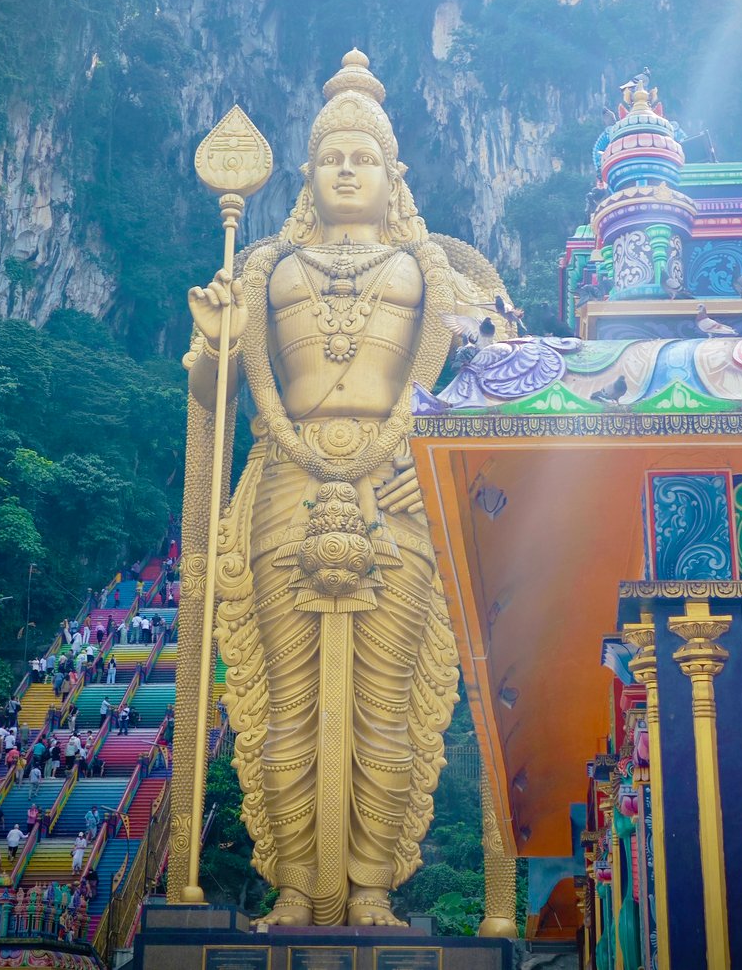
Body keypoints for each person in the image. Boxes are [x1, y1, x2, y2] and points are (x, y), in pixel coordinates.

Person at [181, 51, 487, 926]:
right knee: (284, 699)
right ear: (308, 173)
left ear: (394, 174)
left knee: (387, 705)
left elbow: (497, 370)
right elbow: (216, 393)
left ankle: (372, 889)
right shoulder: (266, 269)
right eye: (331, 156)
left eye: (363, 156)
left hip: (398, 494)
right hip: (286, 478)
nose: (346, 167)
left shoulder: (436, 274)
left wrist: (422, 454)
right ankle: (293, 886)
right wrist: (214, 343)